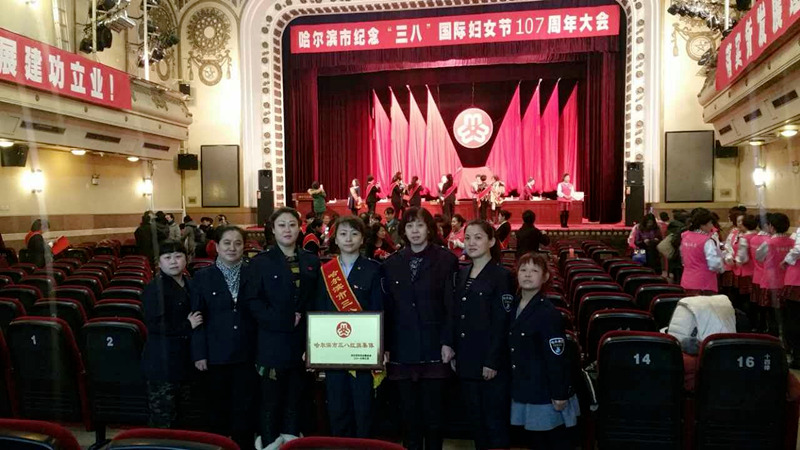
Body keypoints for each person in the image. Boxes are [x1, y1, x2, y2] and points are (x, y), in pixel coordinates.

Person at [381, 207, 459, 450]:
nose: (415, 231)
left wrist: (448, 341)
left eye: (420, 225)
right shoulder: (391, 263)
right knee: (409, 417)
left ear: (429, 229)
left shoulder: (446, 260)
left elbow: (451, 306)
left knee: (434, 418)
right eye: (410, 226)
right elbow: (387, 308)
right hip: (402, 349)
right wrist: (385, 345)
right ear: (403, 230)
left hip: (435, 347)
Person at [243, 207, 322, 449]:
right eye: (282, 225)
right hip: (272, 342)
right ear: (273, 230)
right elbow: (253, 302)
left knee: (296, 398)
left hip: (302, 342)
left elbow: (316, 301)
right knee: (270, 399)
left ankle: (291, 441)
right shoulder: (260, 262)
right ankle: (269, 442)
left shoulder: (311, 260)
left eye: (292, 225)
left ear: (300, 228)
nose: (287, 230)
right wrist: (282, 320)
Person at [314, 216, 383, 438]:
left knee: (364, 408)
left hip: (363, 351)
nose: (348, 239)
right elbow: (320, 309)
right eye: (343, 234)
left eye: (354, 234)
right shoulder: (326, 271)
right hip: (334, 351)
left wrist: (381, 347)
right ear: (335, 239)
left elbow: (379, 309)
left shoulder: (373, 269)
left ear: (362, 239)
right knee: (337, 408)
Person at [190, 226, 255, 449]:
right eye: (226, 243)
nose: (232, 248)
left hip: (247, 353)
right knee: (216, 410)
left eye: (237, 243)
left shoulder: (253, 273)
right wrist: (199, 353)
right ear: (216, 247)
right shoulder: (202, 277)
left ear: (244, 247)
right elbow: (196, 317)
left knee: (244, 410)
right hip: (215, 354)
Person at [452, 220, 514, 449]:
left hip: (490, 364)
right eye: (467, 238)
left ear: (491, 241)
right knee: (476, 422)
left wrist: (492, 360)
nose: (471, 243)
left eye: (478, 238)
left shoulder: (502, 276)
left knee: (494, 424)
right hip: (467, 360)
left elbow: (502, 322)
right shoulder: (462, 273)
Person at [509, 252, 579, 450]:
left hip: (543, 391)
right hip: (521, 386)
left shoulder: (548, 313)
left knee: (546, 441)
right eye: (523, 270)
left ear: (545, 276)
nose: (527, 274)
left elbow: (556, 357)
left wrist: (559, 393)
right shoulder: (512, 306)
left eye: (534, 271)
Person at [142, 240, 202, 428]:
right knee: (165, 419)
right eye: (167, 257)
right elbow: (155, 325)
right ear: (159, 262)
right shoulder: (154, 288)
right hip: (163, 363)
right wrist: (187, 325)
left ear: (186, 259)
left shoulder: (191, 283)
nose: (174, 261)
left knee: (186, 418)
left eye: (178, 256)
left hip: (186, 360)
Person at [755, 212, 793, 337]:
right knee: (787, 315)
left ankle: (773, 339)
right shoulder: (793, 242)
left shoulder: (769, 243)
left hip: (770, 282)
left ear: (771, 226)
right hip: (787, 283)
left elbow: (759, 257)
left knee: (771, 315)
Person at [680, 209, 725, 295]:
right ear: (703, 225)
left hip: (687, 280)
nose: (712, 226)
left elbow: (682, 258)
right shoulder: (707, 240)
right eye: (710, 223)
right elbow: (714, 263)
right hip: (704, 282)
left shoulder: (685, 236)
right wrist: (721, 268)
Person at [749, 214, 773, 328]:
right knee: (766, 307)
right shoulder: (769, 241)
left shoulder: (753, 239)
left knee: (756, 305)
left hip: (756, 275)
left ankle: (755, 327)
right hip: (767, 278)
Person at [781, 222, 800, 368]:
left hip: (796, 281)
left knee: (794, 320)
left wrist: (786, 260)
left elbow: (798, 249)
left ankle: (797, 356)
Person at [734, 215, 759, 316]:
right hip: (756, 270)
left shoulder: (744, 238)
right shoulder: (758, 236)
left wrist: (737, 260)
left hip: (746, 270)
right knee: (755, 297)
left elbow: (743, 257)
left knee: (746, 298)